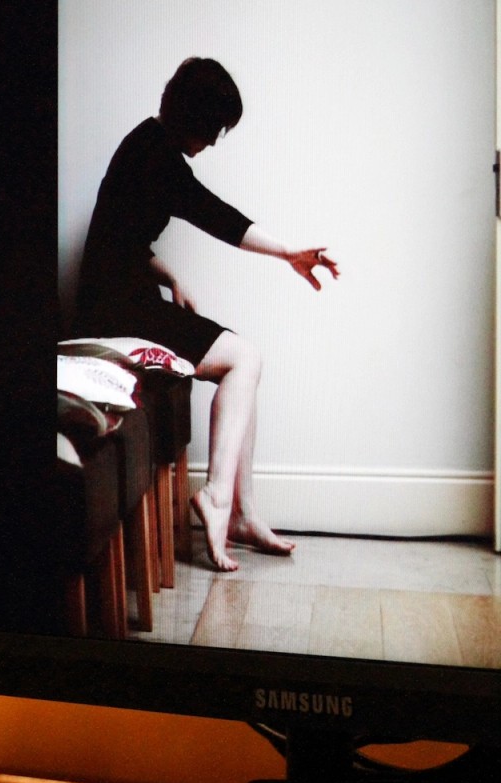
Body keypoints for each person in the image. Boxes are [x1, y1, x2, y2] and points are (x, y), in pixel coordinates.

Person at [73, 58, 339, 572]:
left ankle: (243, 512)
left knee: (244, 369)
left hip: (118, 303)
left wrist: (169, 276)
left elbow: (118, 237)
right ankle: (218, 499)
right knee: (245, 358)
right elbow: (217, 216)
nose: (216, 141)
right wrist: (289, 252)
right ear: (197, 117)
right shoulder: (158, 157)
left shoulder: (146, 146)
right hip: (115, 316)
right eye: (217, 129)